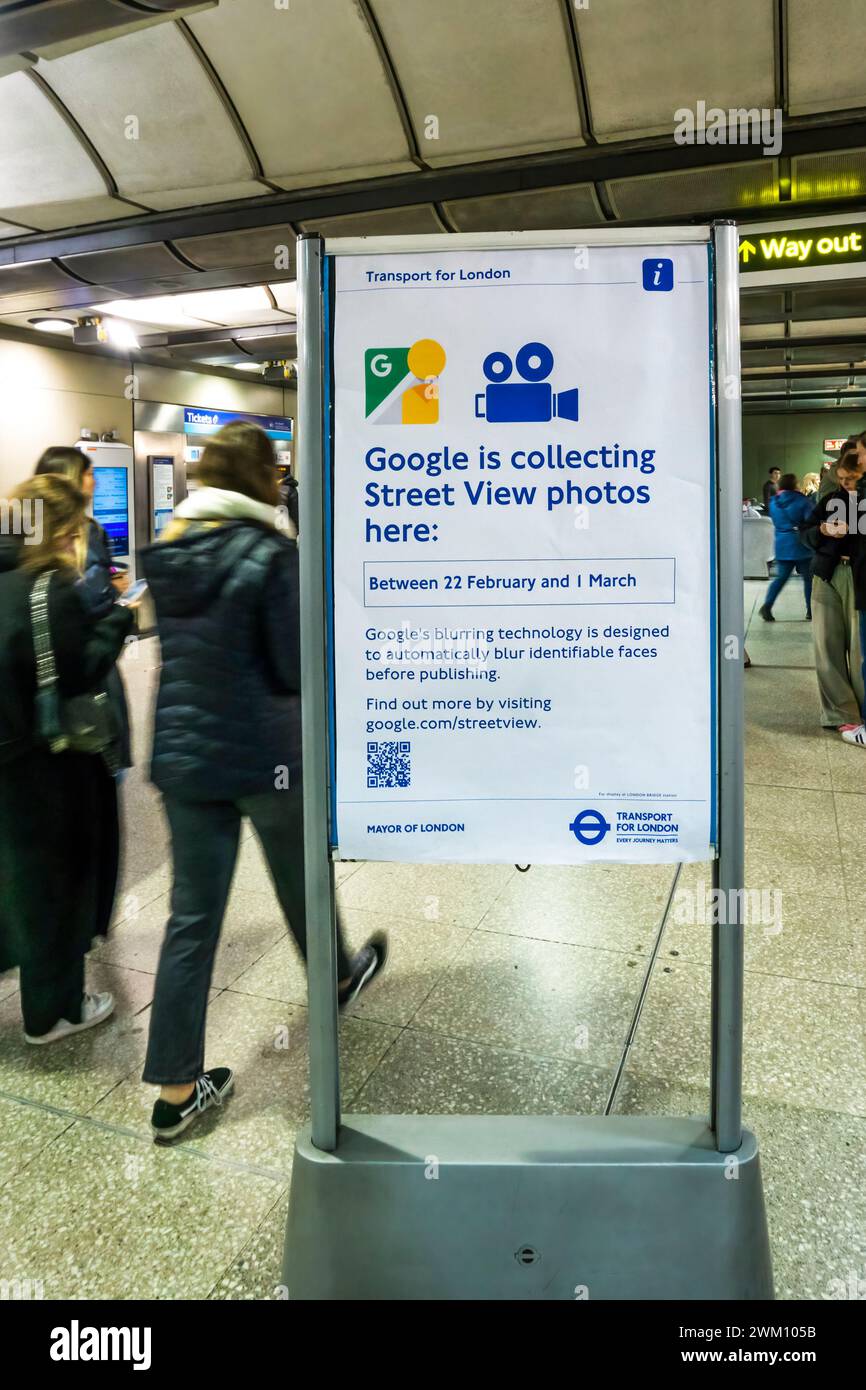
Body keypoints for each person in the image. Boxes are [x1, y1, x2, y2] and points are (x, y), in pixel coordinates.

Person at [141, 421, 386, 1142]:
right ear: (261, 481)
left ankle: (176, 1091)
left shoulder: (172, 551)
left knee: (191, 921)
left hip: (186, 762)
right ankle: (338, 976)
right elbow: (290, 665)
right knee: (301, 880)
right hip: (266, 759)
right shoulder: (276, 555)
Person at [0, 475, 134, 1042]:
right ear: (60, 529)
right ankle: (53, 1011)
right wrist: (119, 619)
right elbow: (78, 670)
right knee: (52, 879)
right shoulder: (48, 588)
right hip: (44, 764)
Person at [34, 446, 132, 771]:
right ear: (71, 479)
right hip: (83, 659)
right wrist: (117, 601)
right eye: (90, 474)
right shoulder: (84, 531)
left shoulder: (25, 527)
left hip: (38, 663)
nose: (95, 482)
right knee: (99, 747)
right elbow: (85, 600)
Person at [799, 449, 866, 733]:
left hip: (859, 575)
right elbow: (806, 532)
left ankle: (862, 711)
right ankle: (840, 713)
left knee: (859, 648)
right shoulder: (830, 499)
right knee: (827, 646)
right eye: (840, 478)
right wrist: (823, 530)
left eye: (850, 478)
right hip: (826, 573)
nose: (845, 484)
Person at [759, 474, 813, 621]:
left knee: (781, 578)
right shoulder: (803, 500)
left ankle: (767, 606)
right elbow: (810, 521)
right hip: (801, 544)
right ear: (795, 485)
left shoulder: (773, 502)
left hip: (782, 544)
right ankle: (811, 610)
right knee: (808, 579)